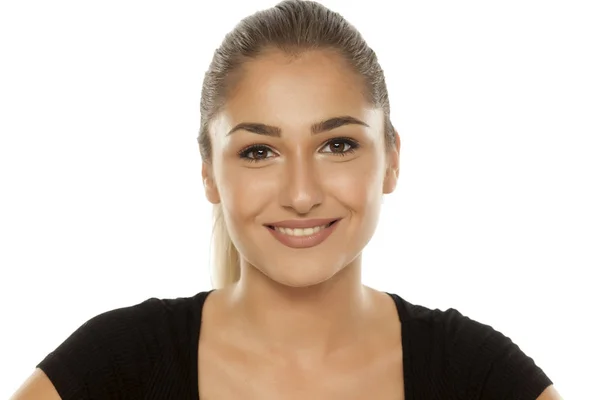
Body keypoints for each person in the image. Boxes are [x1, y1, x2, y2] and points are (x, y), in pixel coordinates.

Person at [10, 1, 562, 399]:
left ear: (392, 158)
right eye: (258, 152)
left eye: (337, 144)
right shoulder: (116, 366)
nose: (301, 194)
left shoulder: (478, 376)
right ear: (209, 174)